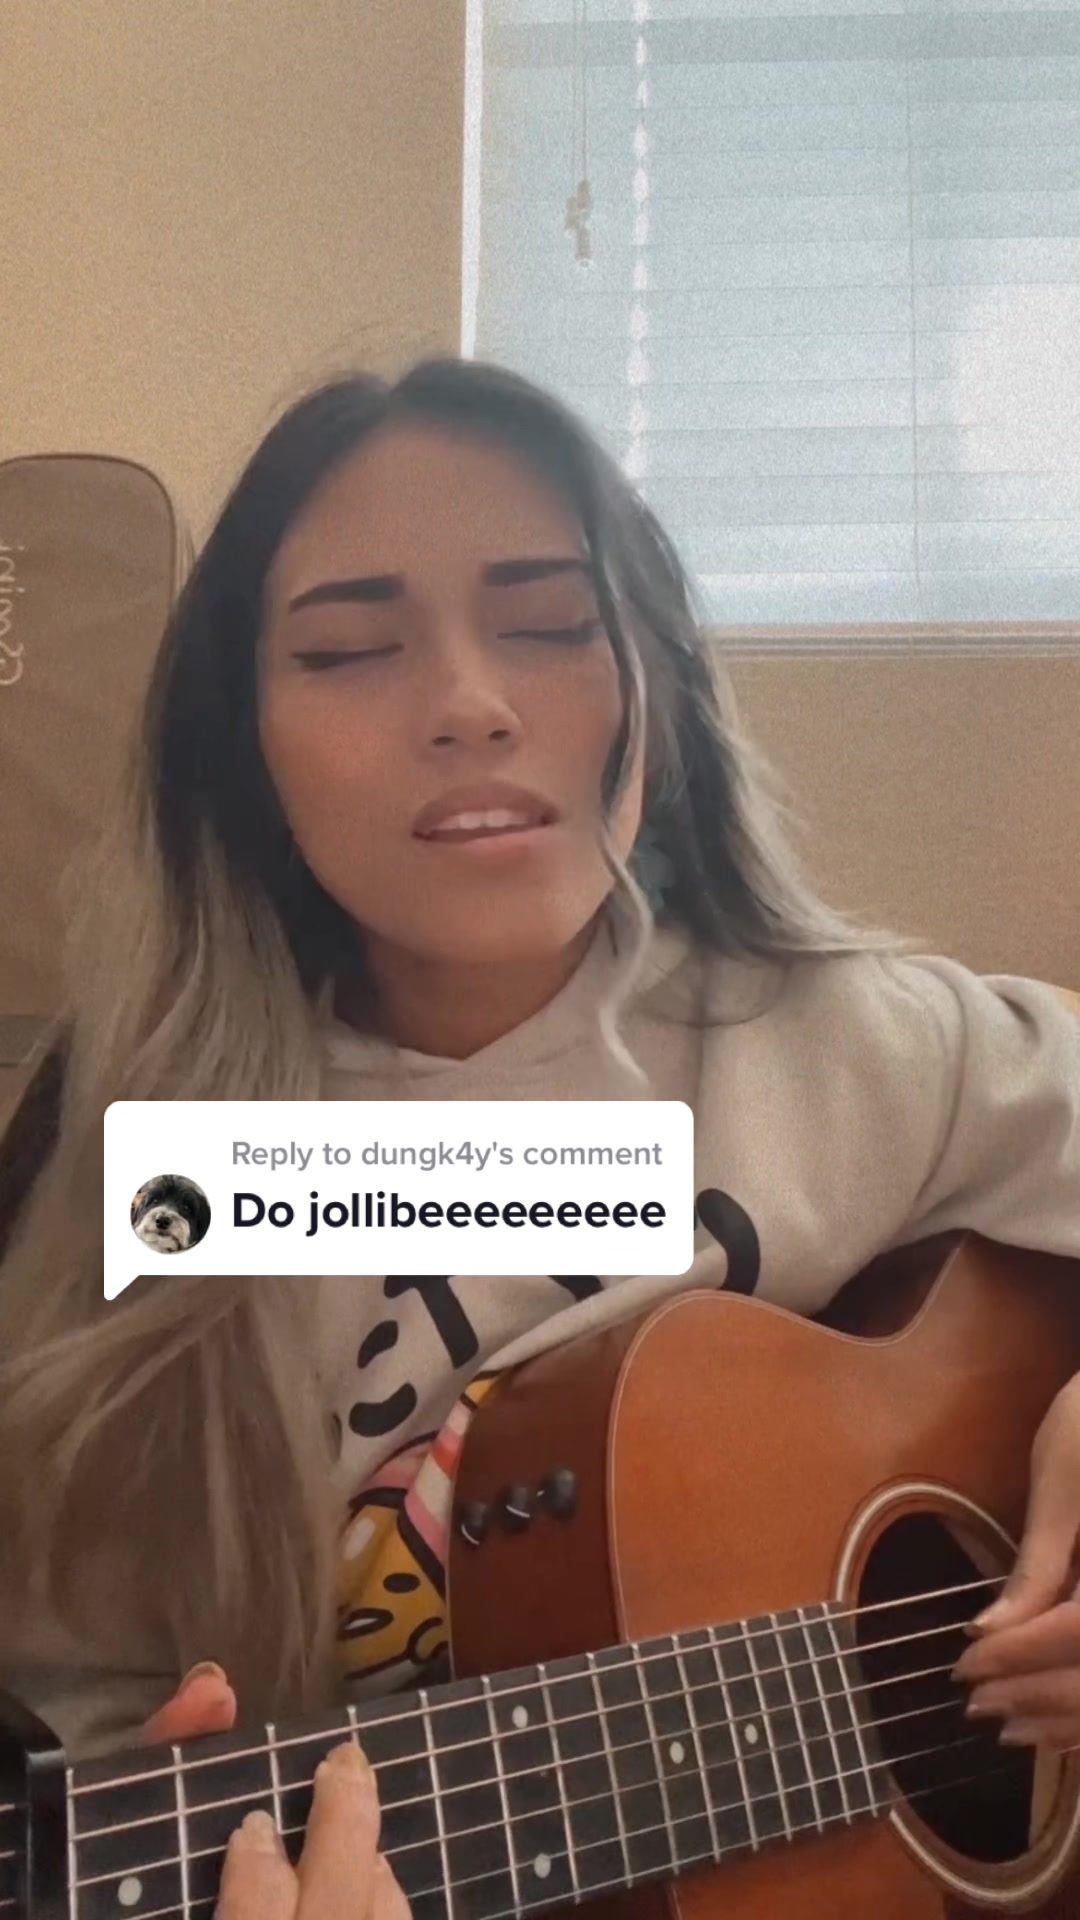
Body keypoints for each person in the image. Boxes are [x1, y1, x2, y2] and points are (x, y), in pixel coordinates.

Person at [0, 356, 1078, 1919]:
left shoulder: (861, 1043)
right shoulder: (158, 1175)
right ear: (244, 746)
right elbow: (81, 1703)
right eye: (349, 650)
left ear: (658, 683)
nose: (470, 706)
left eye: (555, 624)